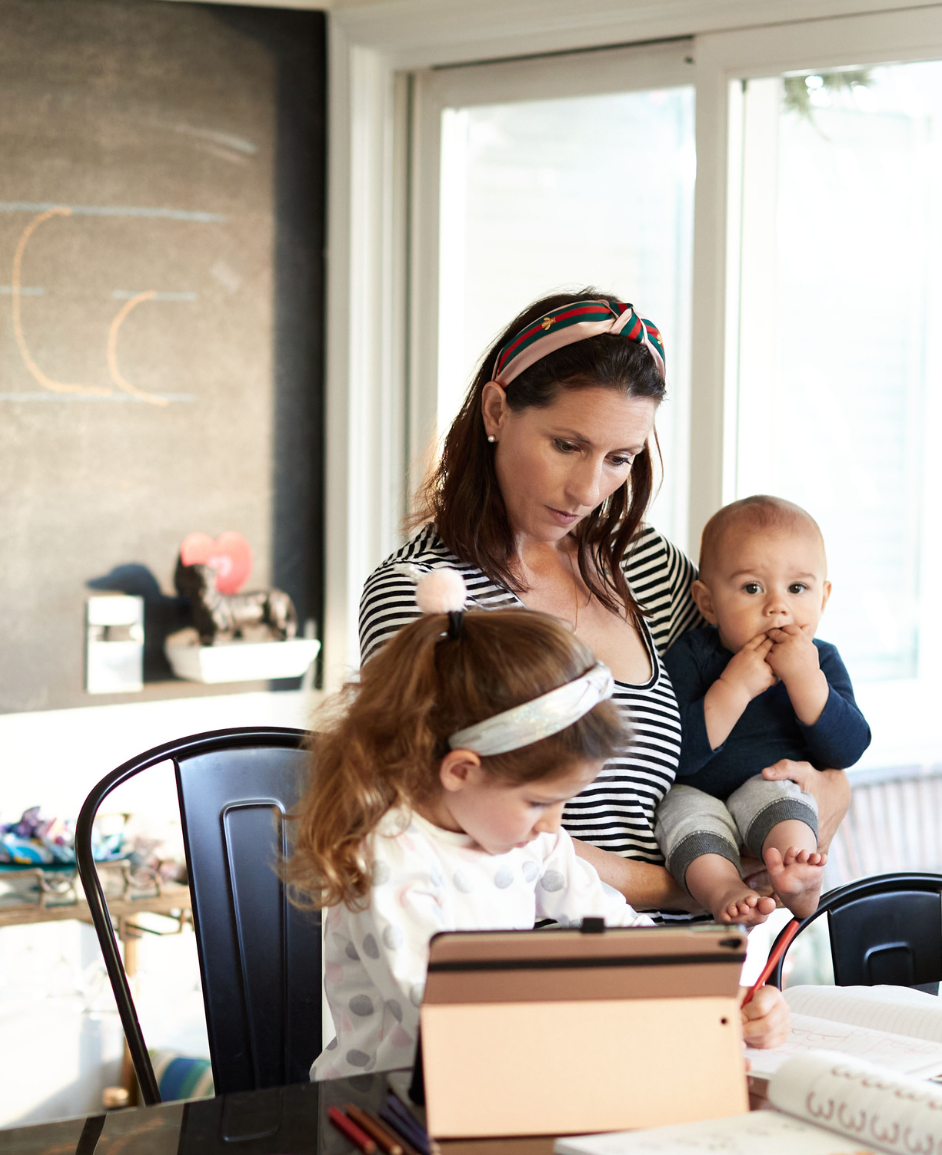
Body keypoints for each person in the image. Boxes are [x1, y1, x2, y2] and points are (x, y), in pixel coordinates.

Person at [360, 290, 850, 914]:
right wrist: (709, 886)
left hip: (708, 944)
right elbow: (448, 829)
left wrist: (831, 788)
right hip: (548, 959)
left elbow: (788, 711)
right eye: (567, 445)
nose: (589, 489)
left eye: (619, 458)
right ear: (496, 409)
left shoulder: (646, 565)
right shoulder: (423, 593)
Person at [289, 571, 791, 1080]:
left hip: (503, 1083)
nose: (556, 825)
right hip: (385, 1105)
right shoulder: (391, 862)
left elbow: (619, 933)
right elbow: (445, 1020)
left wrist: (723, 1001)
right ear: (461, 771)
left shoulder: (529, 838)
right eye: (537, 802)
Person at [658, 496, 870, 925]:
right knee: (682, 817)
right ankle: (724, 892)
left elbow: (847, 750)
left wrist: (806, 681)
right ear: (708, 602)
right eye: (752, 588)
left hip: (771, 783)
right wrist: (734, 687)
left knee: (784, 796)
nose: (777, 606)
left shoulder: (821, 661)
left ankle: (800, 875)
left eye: (797, 588)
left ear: (823, 598)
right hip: (698, 791)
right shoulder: (692, 655)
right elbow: (678, 756)